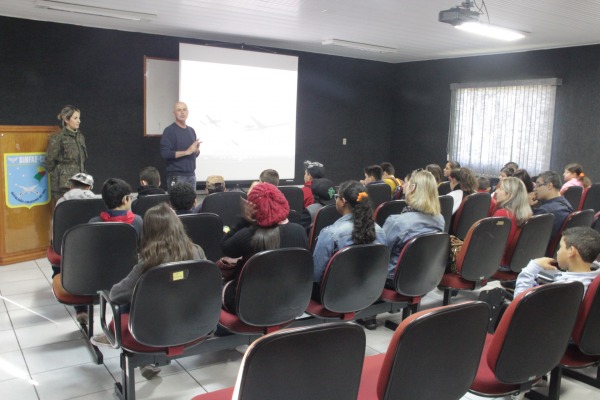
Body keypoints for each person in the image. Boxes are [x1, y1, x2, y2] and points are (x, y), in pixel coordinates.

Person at [92, 202, 206, 380]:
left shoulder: (148, 264)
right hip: (193, 322)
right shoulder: (197, 252)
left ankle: (141, 359)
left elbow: (115, 294)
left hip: (154, 330)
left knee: (128, 300)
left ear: (149, 231)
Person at [221, 183, 308, 314]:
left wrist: (245, 219)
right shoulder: (299, 231)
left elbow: (225, 246)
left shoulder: (247, 235)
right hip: (290, 300)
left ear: (253, 209)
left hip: (250, 305)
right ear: (281, 201)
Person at [313, 180, 386, 284]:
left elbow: (316, 276)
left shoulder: (330, 233)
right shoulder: (379, 230)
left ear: (343, 201)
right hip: (369, 292)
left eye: (336, 197)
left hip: (334, 296)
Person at [383, 170, 445, 279]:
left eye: (407, 182)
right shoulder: (440, 220)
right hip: (424, 277)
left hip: (393, 279)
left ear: (413, 188)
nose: (404, 185)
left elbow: (381, 255)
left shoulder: (396, 222)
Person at [514, 227, 600, 297]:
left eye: (560, 247)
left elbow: (519, 302)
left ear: (571, 251)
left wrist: (532, 267)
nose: (558, 252)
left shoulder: (562, 289)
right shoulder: (595, 274)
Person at [46, 105, 87, 201]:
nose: (79, 121)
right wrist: (58, 175)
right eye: (75, 118)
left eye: (79, 118)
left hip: (80, 182)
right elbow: (49, 160)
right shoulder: (58, 137)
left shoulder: (80, 137)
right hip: (64, 185)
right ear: (66, 120)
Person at [493, 177, 533, 269]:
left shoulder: (503, 214)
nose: (497, 191)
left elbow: (492, 246)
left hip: (498, 263)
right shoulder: (527, 214)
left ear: (510, 195)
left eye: (500, 189)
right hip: (516, 263)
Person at [160, 101, 201, 190]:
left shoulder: (191, 131)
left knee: (191, 203)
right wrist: (187, 152)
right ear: (174, 113)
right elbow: (165, 153)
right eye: (179, 110)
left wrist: (196, 151)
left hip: (191, 175)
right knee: (176, 203)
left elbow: (194, 154)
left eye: (184, 110)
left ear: (188, 112)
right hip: (177, 176)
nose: (182, 112)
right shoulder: (169, 131)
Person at [533, 171, 573, 239]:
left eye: (538, 185)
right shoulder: (566, 204)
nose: (535, 189)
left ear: (549, 186)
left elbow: (530, 235)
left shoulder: (545, 211)